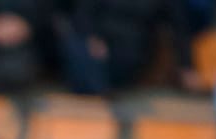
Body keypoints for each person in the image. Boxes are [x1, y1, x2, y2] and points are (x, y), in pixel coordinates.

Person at [59, 0, 193, 95]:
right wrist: (92, 39)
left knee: (90, 63)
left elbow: (179, 28)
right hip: (95, 44)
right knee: (77, 46)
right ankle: (95, 86)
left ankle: (95, 86)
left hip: (130, 51)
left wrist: (186, 66)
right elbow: (83, 14)